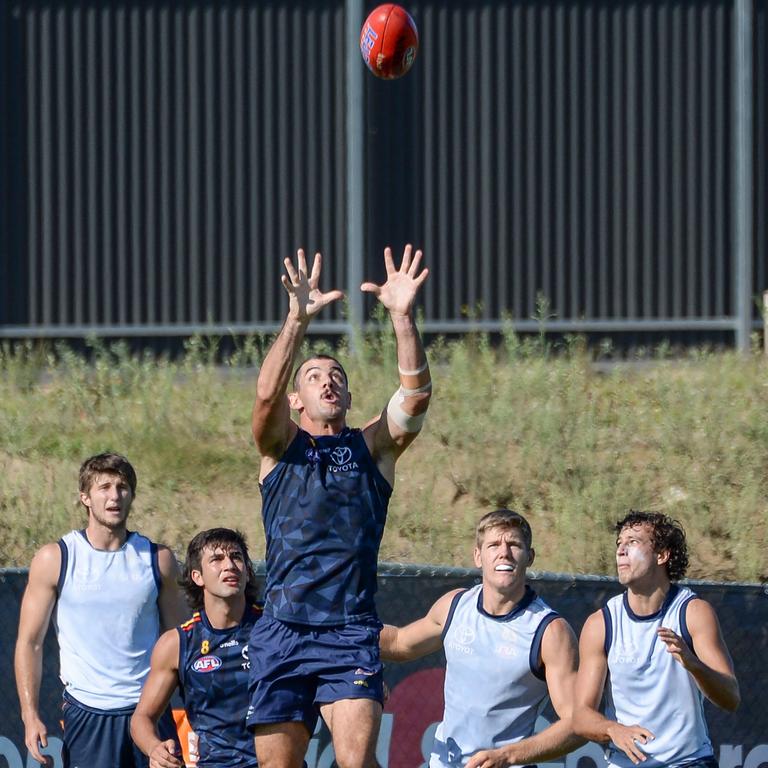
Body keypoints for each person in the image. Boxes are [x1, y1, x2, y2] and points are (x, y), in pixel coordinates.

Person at [247, 245, 432, 768]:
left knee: (355, 763)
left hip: (349, 631)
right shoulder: (279, 447)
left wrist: (402, 318)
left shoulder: (371, 448)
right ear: (296, 401)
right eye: (313, 376)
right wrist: (295, 322)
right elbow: (263, 399)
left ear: (348, 398)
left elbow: (414, 400)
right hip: (282, 629)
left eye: (337, 376)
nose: (328, 379)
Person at [14, 452, 185, 768]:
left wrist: (198, 711)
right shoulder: (56, 558)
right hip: (88, 716)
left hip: (149, 713)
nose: (114, 495)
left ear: (132, 495)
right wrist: (30, 714)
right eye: (104, 487)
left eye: (122, 487)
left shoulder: (157, 559)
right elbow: (30, 643)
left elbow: (179, 642)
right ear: (85, 498)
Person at [380, 508, 582, 768]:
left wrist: (508, 756)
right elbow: (399, 642)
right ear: (478, 556)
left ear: (529, 557)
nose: (504, 552)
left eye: (514, 544)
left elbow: (576, 724)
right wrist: (338, 633)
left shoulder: (551, 632)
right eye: (494, 545)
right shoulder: (454, 605)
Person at [573, 511, 740, 768]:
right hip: (625, 763)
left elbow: (730, 697)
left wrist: (694, 665)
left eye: (633, 542)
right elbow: (581, 716)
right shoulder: (601, 624)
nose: (621, 551)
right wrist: (612, 729)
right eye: (619, 543)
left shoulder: (693, 613)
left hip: (688, 762)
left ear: (662, 555)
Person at [131, 528, 262, 768]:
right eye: (217, 559)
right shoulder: (177, 643)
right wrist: (154, 749)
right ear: (197, 576)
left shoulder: (276, 630)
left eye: (236, 557)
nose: (230, 565)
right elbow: (142, 719)